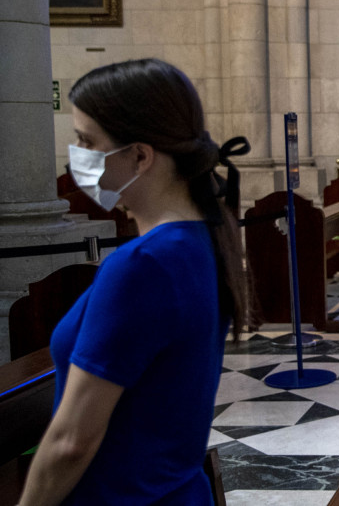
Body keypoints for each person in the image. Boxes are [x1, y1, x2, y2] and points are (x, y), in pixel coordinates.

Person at [18, 58, 250, 505]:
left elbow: (72, 442)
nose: (77, 155)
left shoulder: (144, 263)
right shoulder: (202, 237)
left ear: (140, 156)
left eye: (87, 141)